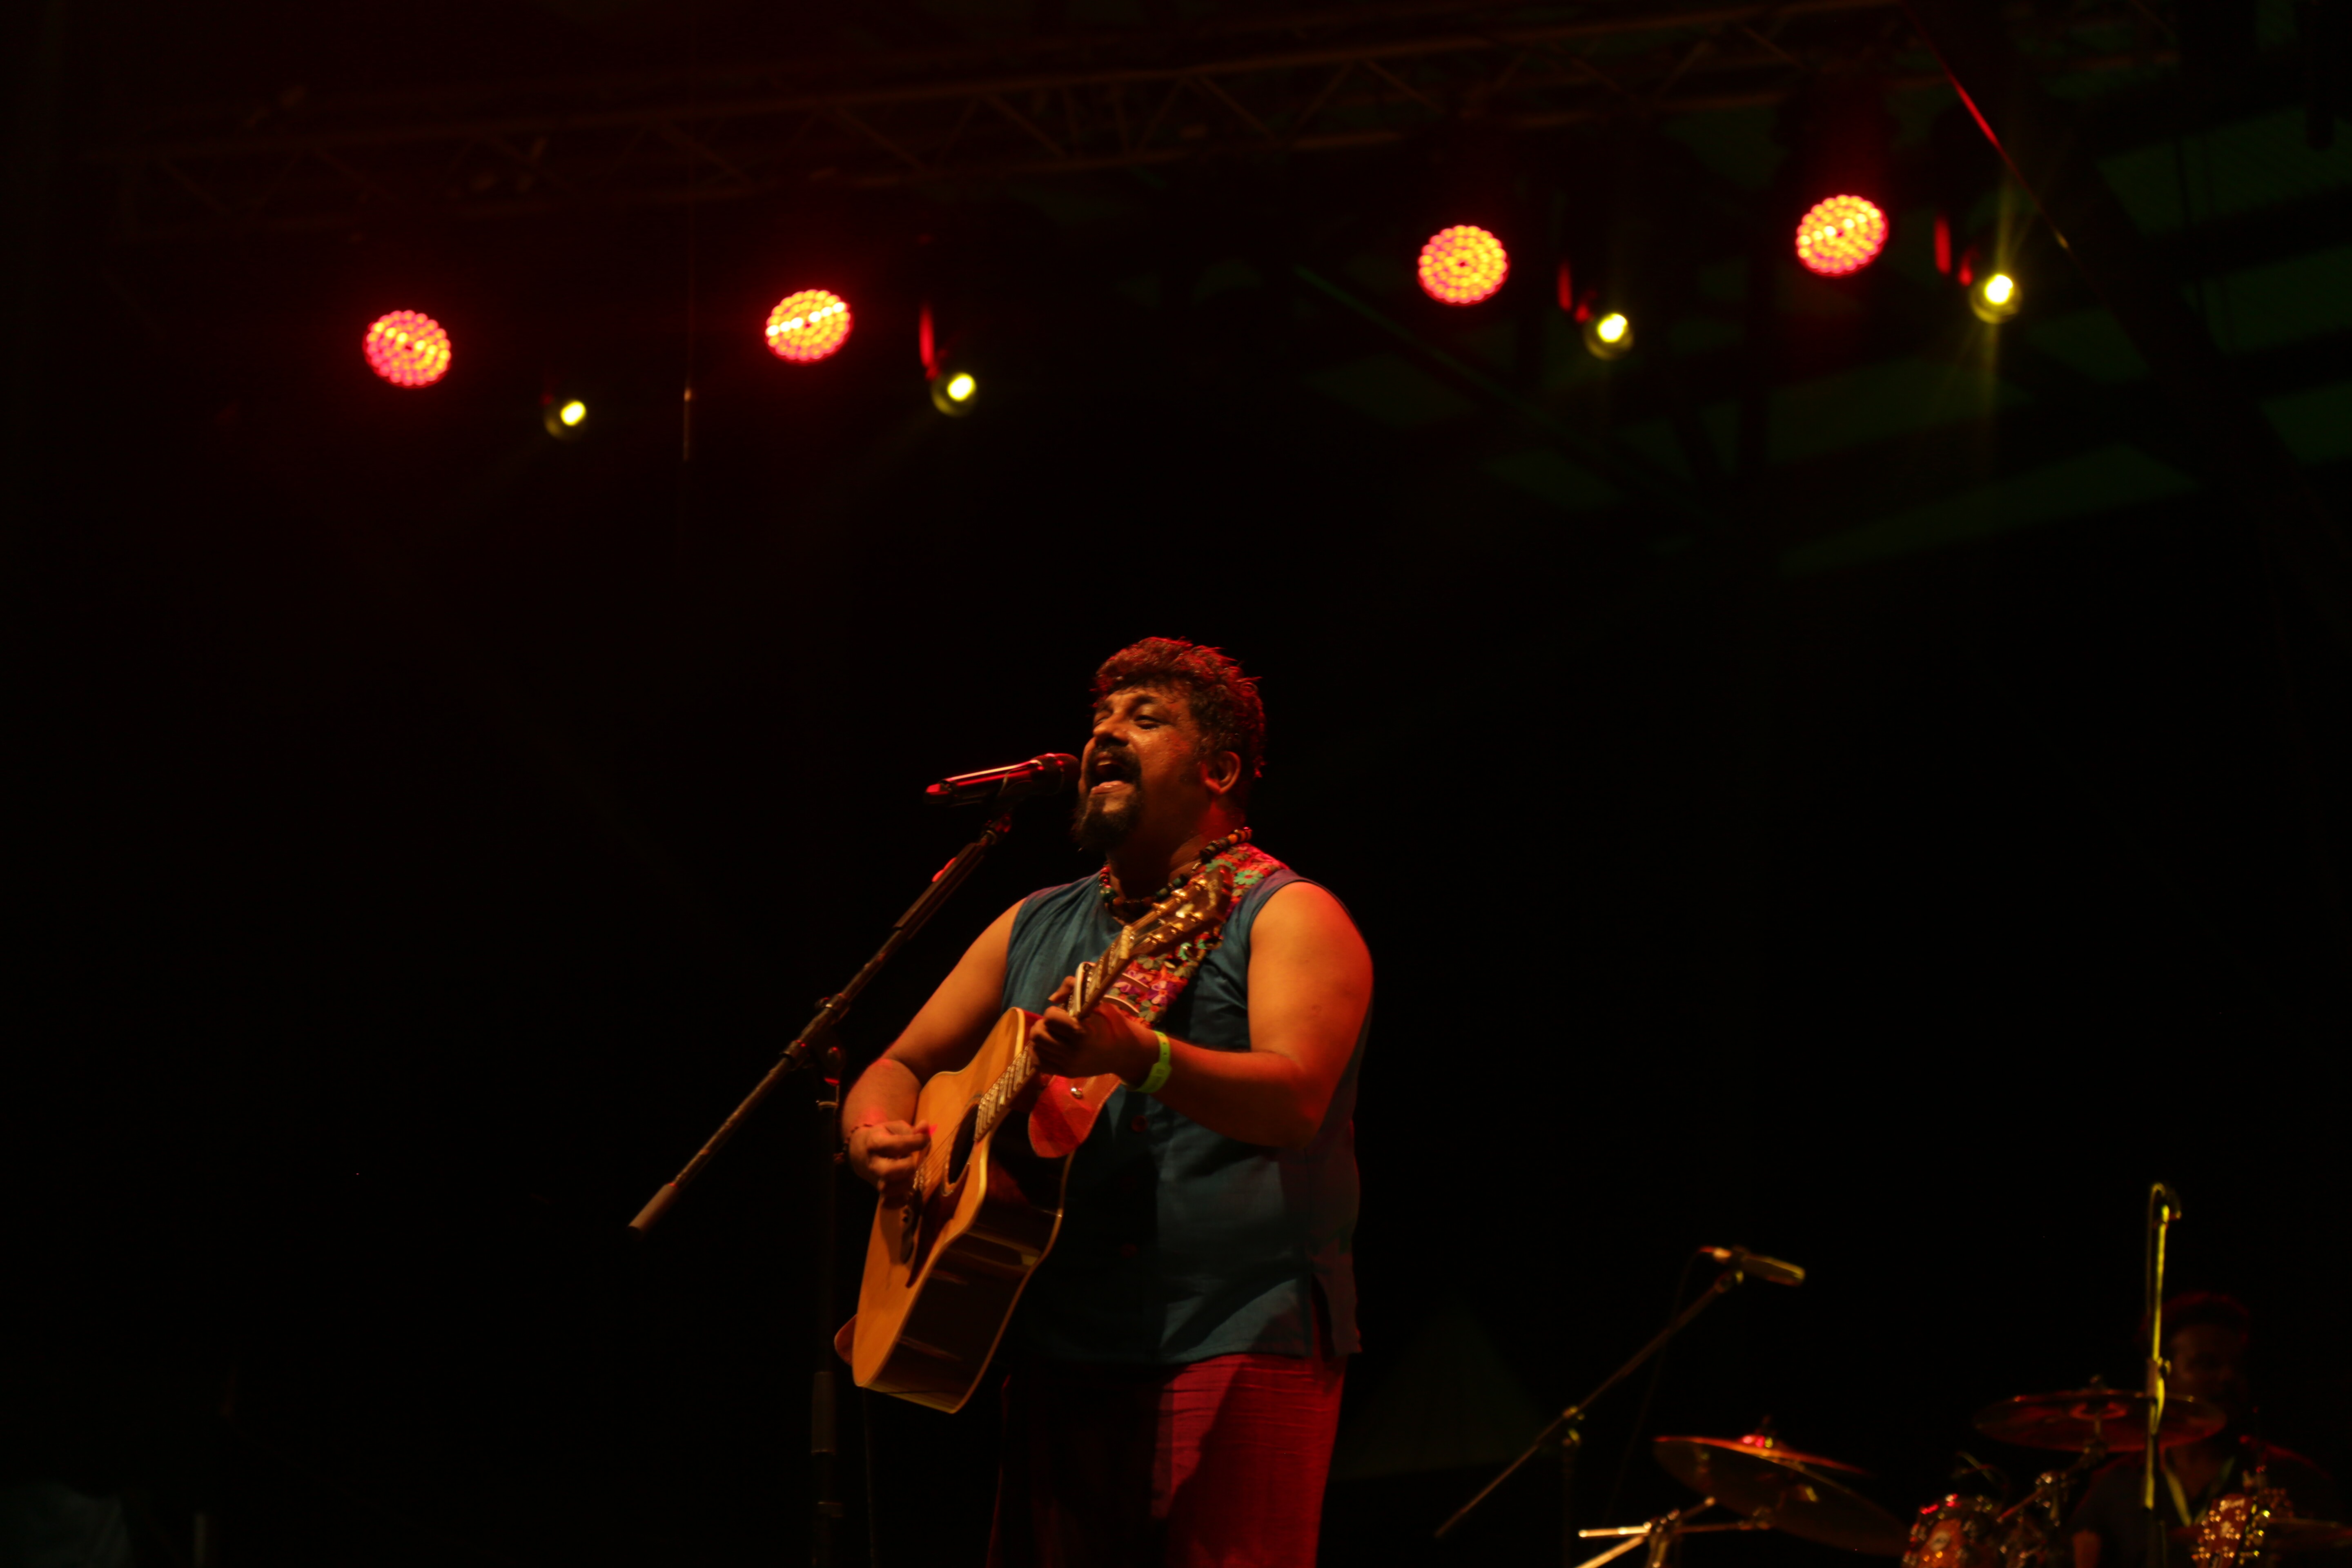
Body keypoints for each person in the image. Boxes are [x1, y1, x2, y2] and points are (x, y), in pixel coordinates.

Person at [841, 637, 1374, 1568]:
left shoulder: (1286, 913)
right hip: (1059, 1342)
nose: (1103, 736)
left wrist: (1144, 1056)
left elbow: (1295, 1100)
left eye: (1143, 717)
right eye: (1098, 719)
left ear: (1217, 768)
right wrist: (872, 1131)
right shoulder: (1034, 920)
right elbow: (902, 1060)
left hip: (1232, 1328)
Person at [2069, 1293, 2341, 1568]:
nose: (2227, 1377)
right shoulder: (2118, 1485)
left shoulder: (2294, 1479)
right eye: (2206, 1364)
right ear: (2162, 1377)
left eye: (2237, 1366)